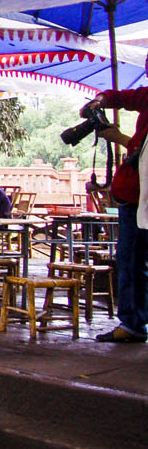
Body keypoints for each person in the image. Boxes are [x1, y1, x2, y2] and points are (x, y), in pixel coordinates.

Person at [81, 85, 148, 343]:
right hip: (132, 196)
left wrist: (119, 139)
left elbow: (143, 151)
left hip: (139, 196)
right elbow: (125, 96)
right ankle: (133, 320)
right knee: (132, 260)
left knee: (132, 260)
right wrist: (101, 101)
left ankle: (132, 323)